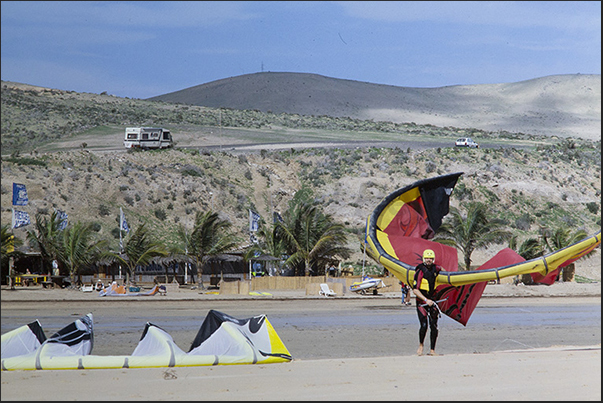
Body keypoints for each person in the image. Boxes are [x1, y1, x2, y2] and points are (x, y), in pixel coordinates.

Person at [412, 248, 442, 356]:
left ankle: (432, 350)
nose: (428, 260)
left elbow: (445, 275)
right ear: (423, 258)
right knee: (424, 325)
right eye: (427, 258)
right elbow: (415, 290)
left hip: (433, 300)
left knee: (434, 325)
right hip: (422, 302)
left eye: (430, 258)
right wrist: (425, 300)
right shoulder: (420, 271)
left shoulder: (436, 268)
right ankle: (421, 345)